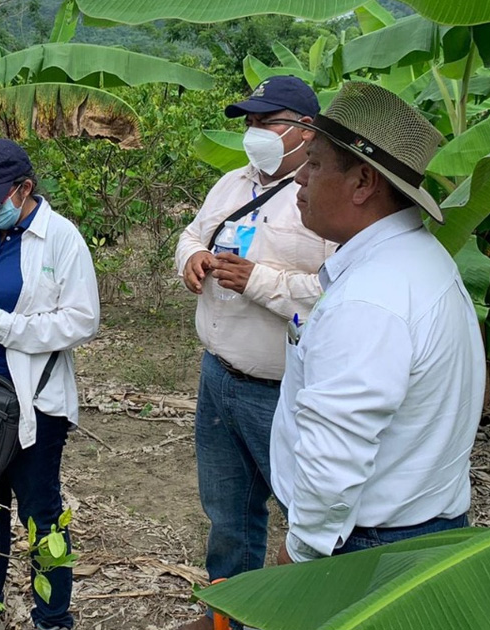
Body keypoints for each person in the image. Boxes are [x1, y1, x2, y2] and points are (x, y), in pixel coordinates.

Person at [266, 81, 485, 565]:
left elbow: (334, 458)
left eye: (316, 163)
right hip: (416, 524)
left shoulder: (370, 300)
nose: (299, 178)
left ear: (363, 183)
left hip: (365, 543)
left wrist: (298, 553)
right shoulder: (420, 262)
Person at [173, 76, 335, 630]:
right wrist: (192, 259)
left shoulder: (326, 201)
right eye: (248, 122)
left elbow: (337, 294)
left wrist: (260, 281)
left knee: (304, 517)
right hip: (218, 375)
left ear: (304, 130)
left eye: (266, 122)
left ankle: (297, 614)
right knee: (227, 513)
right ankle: (231, 613)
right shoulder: (231, 184)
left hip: (281, 389)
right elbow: (193, 234)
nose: (253, 133)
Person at [0, 138, 100, 630]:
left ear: (24, 188)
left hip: (32, 404)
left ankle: (52, 618)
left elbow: (81, 319)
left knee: (41, 514)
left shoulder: (61, 238)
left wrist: (0, 325)